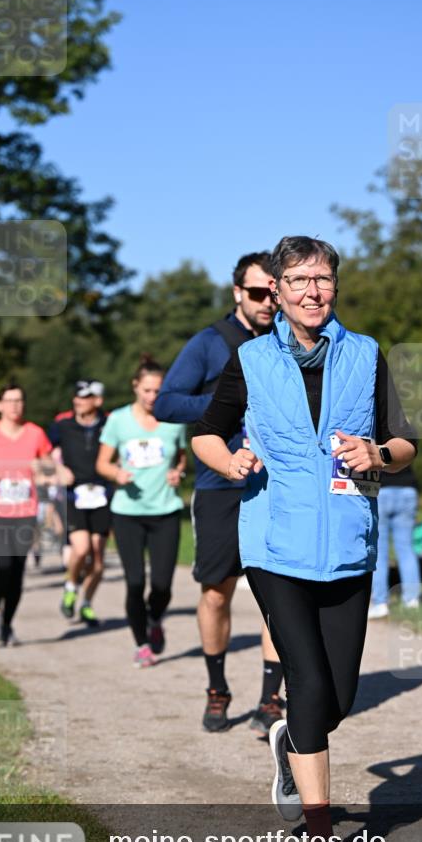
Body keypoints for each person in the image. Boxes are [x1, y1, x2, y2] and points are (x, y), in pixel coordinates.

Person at [192, 236, 418, 842]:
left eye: (322, 279)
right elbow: (206, 432)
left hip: (348, 544)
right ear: (278, 291)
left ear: (335, 287)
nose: (311, 291)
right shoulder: (251, 360)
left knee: (338, 698)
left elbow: (405, 441)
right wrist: (229, 461)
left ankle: (292, 743)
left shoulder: (366, 354)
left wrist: (378, 455)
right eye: (297, 281)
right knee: (310, 685)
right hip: (275, 545)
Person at [154, 252, 285, 735]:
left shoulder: (289, 341)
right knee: (215, 593)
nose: (267, 301)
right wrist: (227, 401)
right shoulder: (210, 343)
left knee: (280, 595)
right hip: (218, 485)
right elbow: (166, 403)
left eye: (274, 292)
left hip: (277, 484)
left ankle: (271, 698)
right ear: (237, 293)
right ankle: (217, 689)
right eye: (257, 292)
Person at [97, 356, 187, 668]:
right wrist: (116, 473)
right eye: (147, 390)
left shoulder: (173, 419)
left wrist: (178, 471)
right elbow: (102, 463)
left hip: (165, 511)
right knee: (135, 582)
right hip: (128, 513)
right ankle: (142, 644)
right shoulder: (118, 420)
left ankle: (155, 618)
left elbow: (181, 456)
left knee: (162, 585)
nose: (152, 397)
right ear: (135, 387)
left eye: (158, 391)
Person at [0, 381, 52, 646]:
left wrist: (43, 469)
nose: (15, 406)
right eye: (9, 400)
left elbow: (48, 463)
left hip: (25, 509)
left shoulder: (35, 433)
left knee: (17, 570)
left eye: (19, 400)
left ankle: (7, 625)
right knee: (3, 563)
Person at [50, 380, 110, 627]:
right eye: (76, 397)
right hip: (74, 495)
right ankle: (70, 586)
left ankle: (86, 603)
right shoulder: (62, 426)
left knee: (97, 561)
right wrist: (59, 468)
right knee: (82, 548)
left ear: (97, 400)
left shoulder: (108, 424)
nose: (78, 401)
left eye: (85, 397)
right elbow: (49, 453)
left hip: (103, 495)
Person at [368, 463, 421, 619]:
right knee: (406, 549)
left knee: (378, 552)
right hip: (408, 489)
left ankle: (380, 603)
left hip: (381, 490)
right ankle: (411, 600)